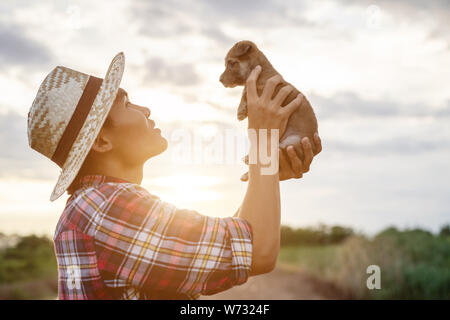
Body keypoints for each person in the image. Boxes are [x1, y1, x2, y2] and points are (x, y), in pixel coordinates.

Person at [27, 53, 322, 299]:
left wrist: (268, 175)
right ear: (102, 142)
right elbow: (258, 253)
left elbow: (232, 244)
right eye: (126, 104)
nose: (145, 109)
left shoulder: (92, 206)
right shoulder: (106, 208)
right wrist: (263, 141)